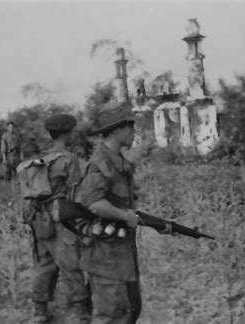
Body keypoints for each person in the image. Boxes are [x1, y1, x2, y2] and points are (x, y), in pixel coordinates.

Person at [76, 103, 142, 323]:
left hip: (122, 253)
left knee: (130, 310)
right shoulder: (100, 163)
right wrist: (125, 217)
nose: (134, 131)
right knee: (111, 315)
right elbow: (93, 203)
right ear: (116, 130)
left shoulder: (120, 163)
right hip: (105, 254)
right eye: (130, 126)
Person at [28, 114, 91, 324]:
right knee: (70, 262)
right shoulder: (69, 159)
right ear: (67, 133)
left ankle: (40, 311)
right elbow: (76, 192)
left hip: (39, 218)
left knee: (44, 264)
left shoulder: (39, 160)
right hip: (61, 217)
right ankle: (80, 311)